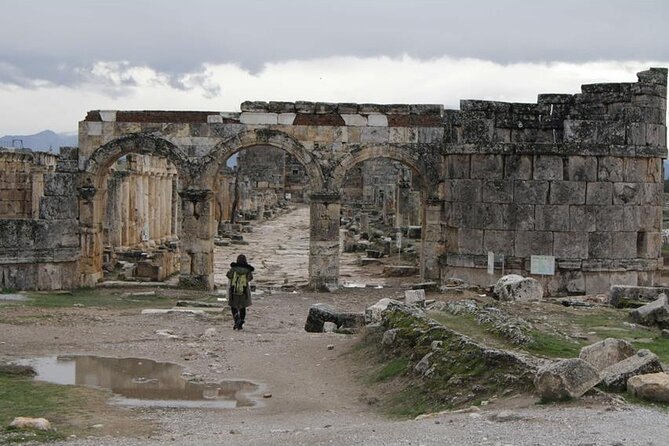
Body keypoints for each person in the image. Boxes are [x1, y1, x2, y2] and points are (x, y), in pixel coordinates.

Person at [226, 254, 254, 330]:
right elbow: (250, 278)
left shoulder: (233, 269)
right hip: (244, 292)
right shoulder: (248, 270)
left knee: (233, 307)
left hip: (234, 291)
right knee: (243, 307)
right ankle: (241, 322)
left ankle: (237, 320)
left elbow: (228, 275)